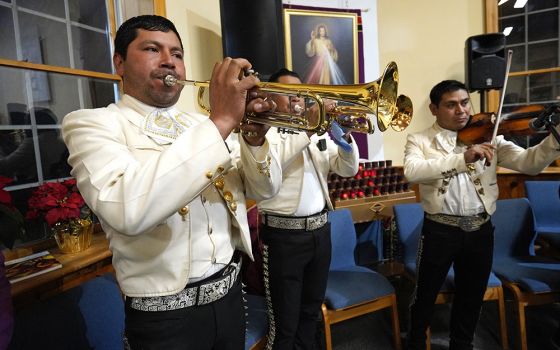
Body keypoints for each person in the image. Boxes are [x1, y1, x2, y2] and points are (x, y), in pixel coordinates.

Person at [61, 15, 282, 350]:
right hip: (165, 320)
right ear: (119, 62)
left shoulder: (200, 124)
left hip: (230, 298)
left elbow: (264, 191)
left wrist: (252, 139)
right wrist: (222, 120)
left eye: (177, 54)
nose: (169, 61)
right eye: (152, 49)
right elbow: (129, 211)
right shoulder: (93, 124)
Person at [403, 79, 560, 350]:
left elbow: (529, 163)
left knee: (471, 296)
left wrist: (555, 136)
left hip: (480, 229)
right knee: (425, 294)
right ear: (434, 109)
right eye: (451, 105)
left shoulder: (492, 137)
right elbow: (413, 171)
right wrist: (463, 158)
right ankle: (416, 341)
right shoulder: (420, 140)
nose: (461, 110)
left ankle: (461, 345)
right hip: (440, 230)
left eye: (465, 103)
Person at [251, 68, 359, 349]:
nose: (297, 99)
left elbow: (347, 169)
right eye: (288, 94)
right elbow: (268, 171)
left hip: (320, 233)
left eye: (300, 93)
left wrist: (345, 139)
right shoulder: (263, 132)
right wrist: (309, 130)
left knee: (310, 313)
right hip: (283, 238)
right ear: (270, 97)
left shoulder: (314, 129)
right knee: (284, 322)